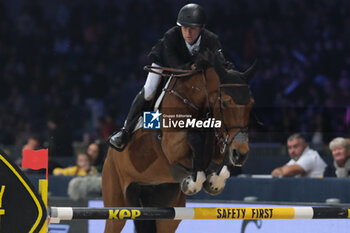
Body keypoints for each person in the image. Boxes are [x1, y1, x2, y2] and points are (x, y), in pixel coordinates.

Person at [109, 3, 233, 151]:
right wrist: (194, 66)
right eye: (184, 27)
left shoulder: (211, 39)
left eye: (193, 28)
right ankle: (125, 131)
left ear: (202, 27)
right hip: (164, 64)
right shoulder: (171, 36)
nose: (188, 32)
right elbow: (176, 66)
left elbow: (220, 61)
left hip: (192, 73)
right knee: (149, 91)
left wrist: (224, 68)